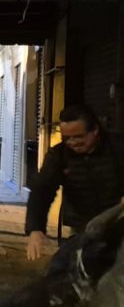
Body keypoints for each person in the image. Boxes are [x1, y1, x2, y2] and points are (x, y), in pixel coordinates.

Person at [26, 104, 124, 261]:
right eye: (67, 138)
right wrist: (35, 229)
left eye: (78, 137)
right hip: (81, 226)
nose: (72, 142)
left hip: (118, 222)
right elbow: (42, 190)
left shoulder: (118, 147)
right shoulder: (59, 154)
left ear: (95, 130)